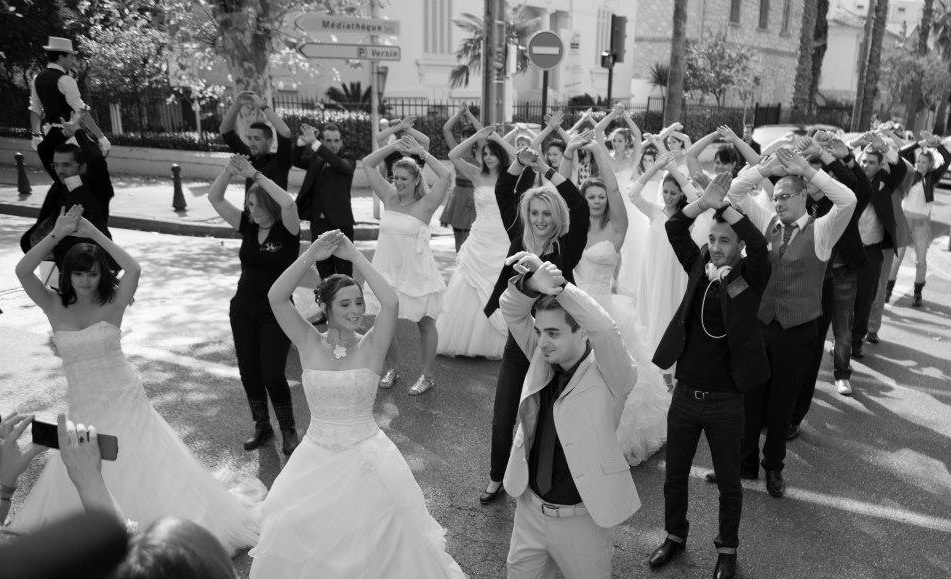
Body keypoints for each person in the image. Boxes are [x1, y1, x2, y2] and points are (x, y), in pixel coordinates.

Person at [11, 207, 262, 552]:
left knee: (140, 460)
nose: (85, 280)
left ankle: (152, 538)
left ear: (101, 276)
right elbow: (22, 270)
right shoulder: (53, 305)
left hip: (124, 395)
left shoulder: (113, 302)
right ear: (66, 276)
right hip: (83, 403)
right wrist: (56, 234)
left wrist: (93, 233)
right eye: (78, 274)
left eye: (93, 274)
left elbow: (134, 268)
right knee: (86, 463)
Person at [250, 229, 466, 578]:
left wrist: (353, 255)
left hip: (365, 458)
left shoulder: (371, 345)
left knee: (372, 544)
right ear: (326, 308)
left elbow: (392, 302)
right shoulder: (307, 340)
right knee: (298, 530)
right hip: (315, 457)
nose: (355, 311)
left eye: (359, 302)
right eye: (345, 304)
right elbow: (276, 297)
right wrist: (311, 255)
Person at [648, 173, 770, 579]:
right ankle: (674, 536)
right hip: (685, 395)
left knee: (730, 485)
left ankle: (727, 550)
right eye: (713, 240)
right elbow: (674, 226)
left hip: (726, 401)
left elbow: (760, 243)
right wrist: (703, 204)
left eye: (724, 242)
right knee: (675, 476)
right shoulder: (699, 264)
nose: (716, 248)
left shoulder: (752, 276)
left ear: (737, 247)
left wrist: (729, 211)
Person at [499, 253, 639, 579]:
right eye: (540, 331)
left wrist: (561, 287)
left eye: (554, 333)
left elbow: (605, 327)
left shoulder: (614, 374)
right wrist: (533, 283)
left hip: (582, 522)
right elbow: (510, 308)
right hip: (529, 511)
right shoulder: (541, 354)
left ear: (582, 333)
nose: (542, 342)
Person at [727, 149, 856, 497]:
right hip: (763, 323)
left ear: (803, 198)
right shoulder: (767, 222)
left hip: (798, 330)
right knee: (751, 397)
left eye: (786, 196)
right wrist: (763, 169)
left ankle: (774, 467)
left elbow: (848, 199)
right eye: (776, 196)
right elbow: (734, 194)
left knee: (782, 403)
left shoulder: (823, 230)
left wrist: (809, 173)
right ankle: (746, 462)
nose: (779, 201)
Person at [480, 143, 589, 505]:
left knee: (548, 420)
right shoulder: (518, 236)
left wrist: (546, 166)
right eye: (535, 212)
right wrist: (518, 164)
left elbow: (579, 203)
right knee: (502, 415)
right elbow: (501, 190)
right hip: (519, 341)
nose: (541, 219)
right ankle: (497, 477)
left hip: (556, 344)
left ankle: (546, 484)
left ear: (555, 216)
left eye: (547, 213)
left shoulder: (566, 245)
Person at [571, 141, 669, 466]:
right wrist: (571, 151)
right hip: (574, 311)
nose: (597, 201)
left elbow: (614, 188)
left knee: (614, 377)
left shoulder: (617, 229)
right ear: (583, 201)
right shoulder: (574, 231)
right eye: (591, 196)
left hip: (606, 311)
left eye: (601, 197)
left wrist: (599, 151)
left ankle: (612, 439)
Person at [208, 155, 301, 454]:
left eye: (259, 205)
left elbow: (288, 203)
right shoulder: (247, 226)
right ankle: (263, 427)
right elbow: (215, 197)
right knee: (249, 372)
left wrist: (255, 174)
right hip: (243, 310)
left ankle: (288, 430)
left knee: (272, 374)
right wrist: (229, 170)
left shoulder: (287, 229)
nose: (253, 210)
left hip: (277, 312)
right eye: (249, 205)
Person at [360, 136, 452, 394]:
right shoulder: (388, 196)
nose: (397, 182)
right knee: (383, 321)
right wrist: (394, 146)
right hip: (385, 270)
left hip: (416, 272)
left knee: (424, 323)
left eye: (403, 178)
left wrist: (422, 152)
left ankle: (427, 375)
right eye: (395, 177)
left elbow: (445, 176)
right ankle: (392, 368)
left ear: (415, 181)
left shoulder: (426, 204)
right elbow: (367, 164)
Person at [436, 126, 512, 359]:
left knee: (497, 284)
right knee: (468, 284)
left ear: (500, 155)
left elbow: (521, 156)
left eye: (492, 153)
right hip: (479, 238)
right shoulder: (477, 175)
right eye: (485, 153)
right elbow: (452, 156)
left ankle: (497, 340)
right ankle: (462, 338)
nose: (488, 157)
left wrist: (497, 137)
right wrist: (476, 138)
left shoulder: (512, 176)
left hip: (502, 238)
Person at [627, 152, 698, 390]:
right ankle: (657, 375)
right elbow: (633, 193)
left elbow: (694, 195)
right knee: (653, 315)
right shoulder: (654, 211)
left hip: (676, 273)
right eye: (666, 191)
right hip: (654, 271)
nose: (668, 196)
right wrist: (656, 168)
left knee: (671, 314)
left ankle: (674, 373)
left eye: (673, 192)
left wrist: (675, 171)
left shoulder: (688, 216)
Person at [20, 143, 112, 270]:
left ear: (83, 167)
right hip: (65, 265)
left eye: (66, 165)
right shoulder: (63, 187)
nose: (60, 171)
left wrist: (78, 131)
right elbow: (43, 148)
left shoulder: (93, 190)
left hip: (91, 268)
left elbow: (97, 161)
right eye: (56, 165)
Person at [29, 36, 109, 182]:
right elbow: (82, 112)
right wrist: (101, 137)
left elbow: (35, 109)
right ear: (61, 57)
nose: (73, 60)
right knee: (84, 178)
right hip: (69, 135)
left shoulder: (37, 78)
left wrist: (36, 135)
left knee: (63, 180)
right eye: (71, 56)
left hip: (50, 135)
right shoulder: (66, 80)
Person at [891, 131, 951, 307]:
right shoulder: (910, 173)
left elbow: (947, 159)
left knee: (921, 260)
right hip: (904, 220)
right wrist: (921, 143)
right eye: (919, 161)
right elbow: (902, 152)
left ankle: (917, 293)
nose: (921, 164)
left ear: (930, 164)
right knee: (897, 257)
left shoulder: (932, 178)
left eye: (924, 162)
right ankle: (888, 289)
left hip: (922, 223)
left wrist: (936, 144)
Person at [293, 122, 357, 278]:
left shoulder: (348, 158)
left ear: (341, 142)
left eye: (336, 140)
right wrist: (303, 141)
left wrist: (315, 143)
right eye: (328, 140)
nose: (333, 144)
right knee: (323, 271)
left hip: (341, 223)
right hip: (318, 223)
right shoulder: (317, 158)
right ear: (323, 140)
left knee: (344, 273)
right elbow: (295, 159)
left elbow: (341, 165)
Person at [219, 91, 293, 192]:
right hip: (249, 208)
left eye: (257, 139)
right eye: (250, 138)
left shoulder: (281, 160)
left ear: (270, 141)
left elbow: (286, 132)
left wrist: (262, 106)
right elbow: (225, 131)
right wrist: (237, 104)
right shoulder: (249, 157)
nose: (252, 143)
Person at [441, 105, 483, 251]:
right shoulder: (456, 151)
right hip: (459, 195)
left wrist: (470, 114)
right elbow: (446, 129)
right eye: (463, 136)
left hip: (475, 195)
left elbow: (482, 131)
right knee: (458, 236)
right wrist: (459, 113)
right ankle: (460, 264)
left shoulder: (480, 153)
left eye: (468, 137)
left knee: (473, 237)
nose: (464, 139)